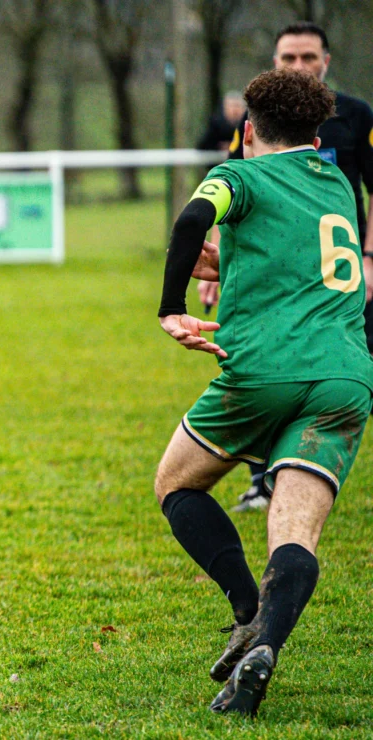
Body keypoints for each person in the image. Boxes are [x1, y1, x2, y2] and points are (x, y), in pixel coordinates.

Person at [155, 68, 372, 716]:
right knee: (294, 532)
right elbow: (306, 262)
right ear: (318, 137)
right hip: (346, 376)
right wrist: (231, 263)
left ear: (247, 131)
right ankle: (266, 647)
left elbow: (192, 218)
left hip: (264, 373)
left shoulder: (239, 176)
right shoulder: (336, 182)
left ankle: (246, 607)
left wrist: (171, 307)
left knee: (176, 484)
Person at [196, 22, 373, 512]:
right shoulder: (254, 122)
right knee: (265, 361)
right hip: (272, 270)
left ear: (326, 62)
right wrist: (219, 258)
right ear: (274, 62)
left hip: (339, 271)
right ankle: (264, 479)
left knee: (345, 366)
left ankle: (307, 470)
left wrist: (369, 256)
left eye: (308, 57)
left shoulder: (355, 116)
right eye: (288, 58)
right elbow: (229, 190)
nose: (299, 66)